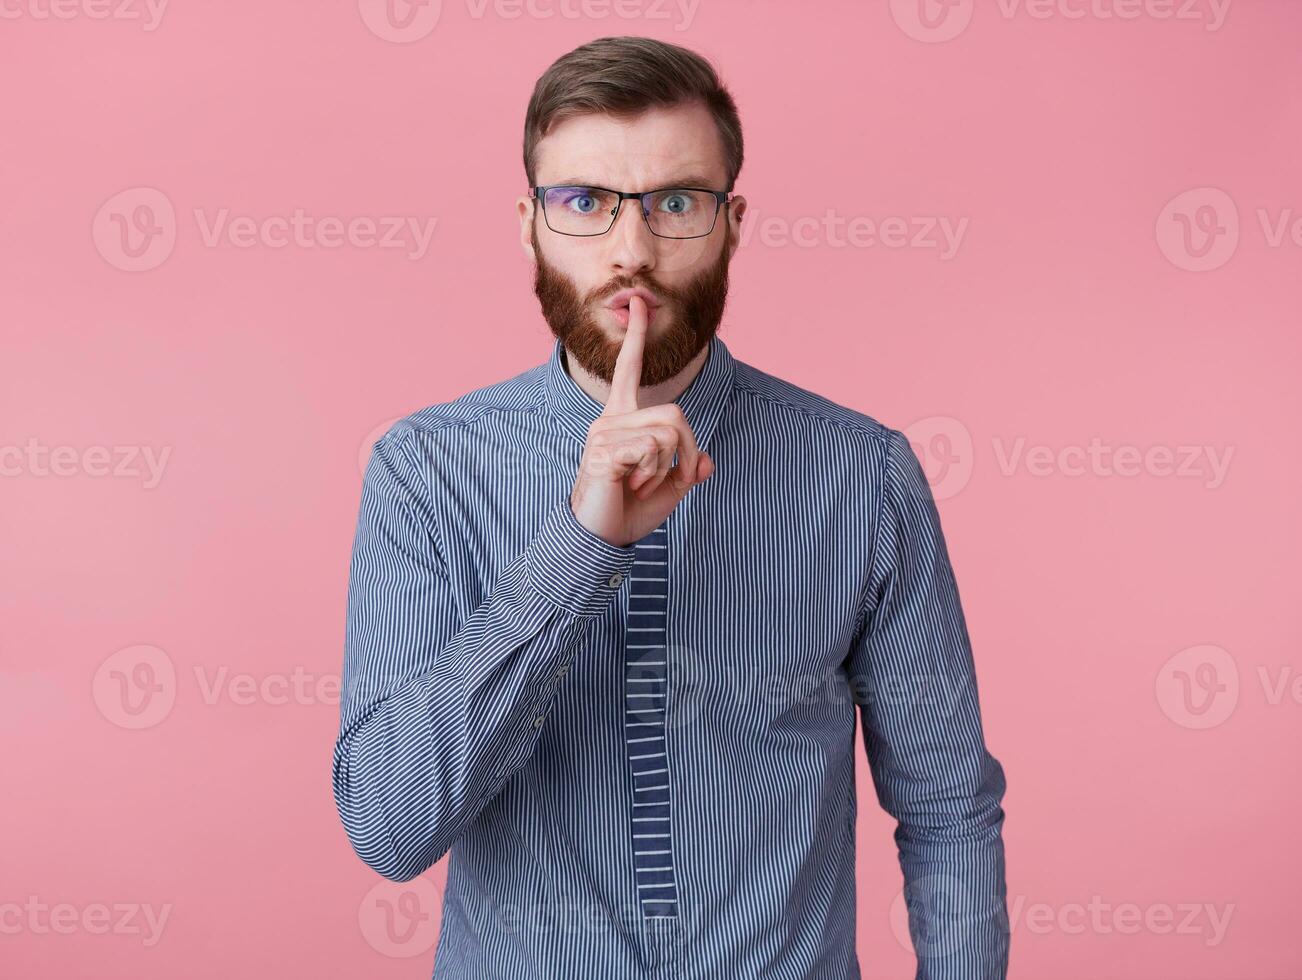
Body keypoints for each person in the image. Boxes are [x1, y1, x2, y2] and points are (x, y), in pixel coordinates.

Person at [333, 34, 1009, 980]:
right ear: (529, 224)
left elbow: (948, 811)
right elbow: (387, 827)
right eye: (585, 204)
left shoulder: (861, 474)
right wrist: (580, 547)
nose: (632, 252)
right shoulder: (426, 471)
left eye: (676, 203)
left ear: (732, 224)